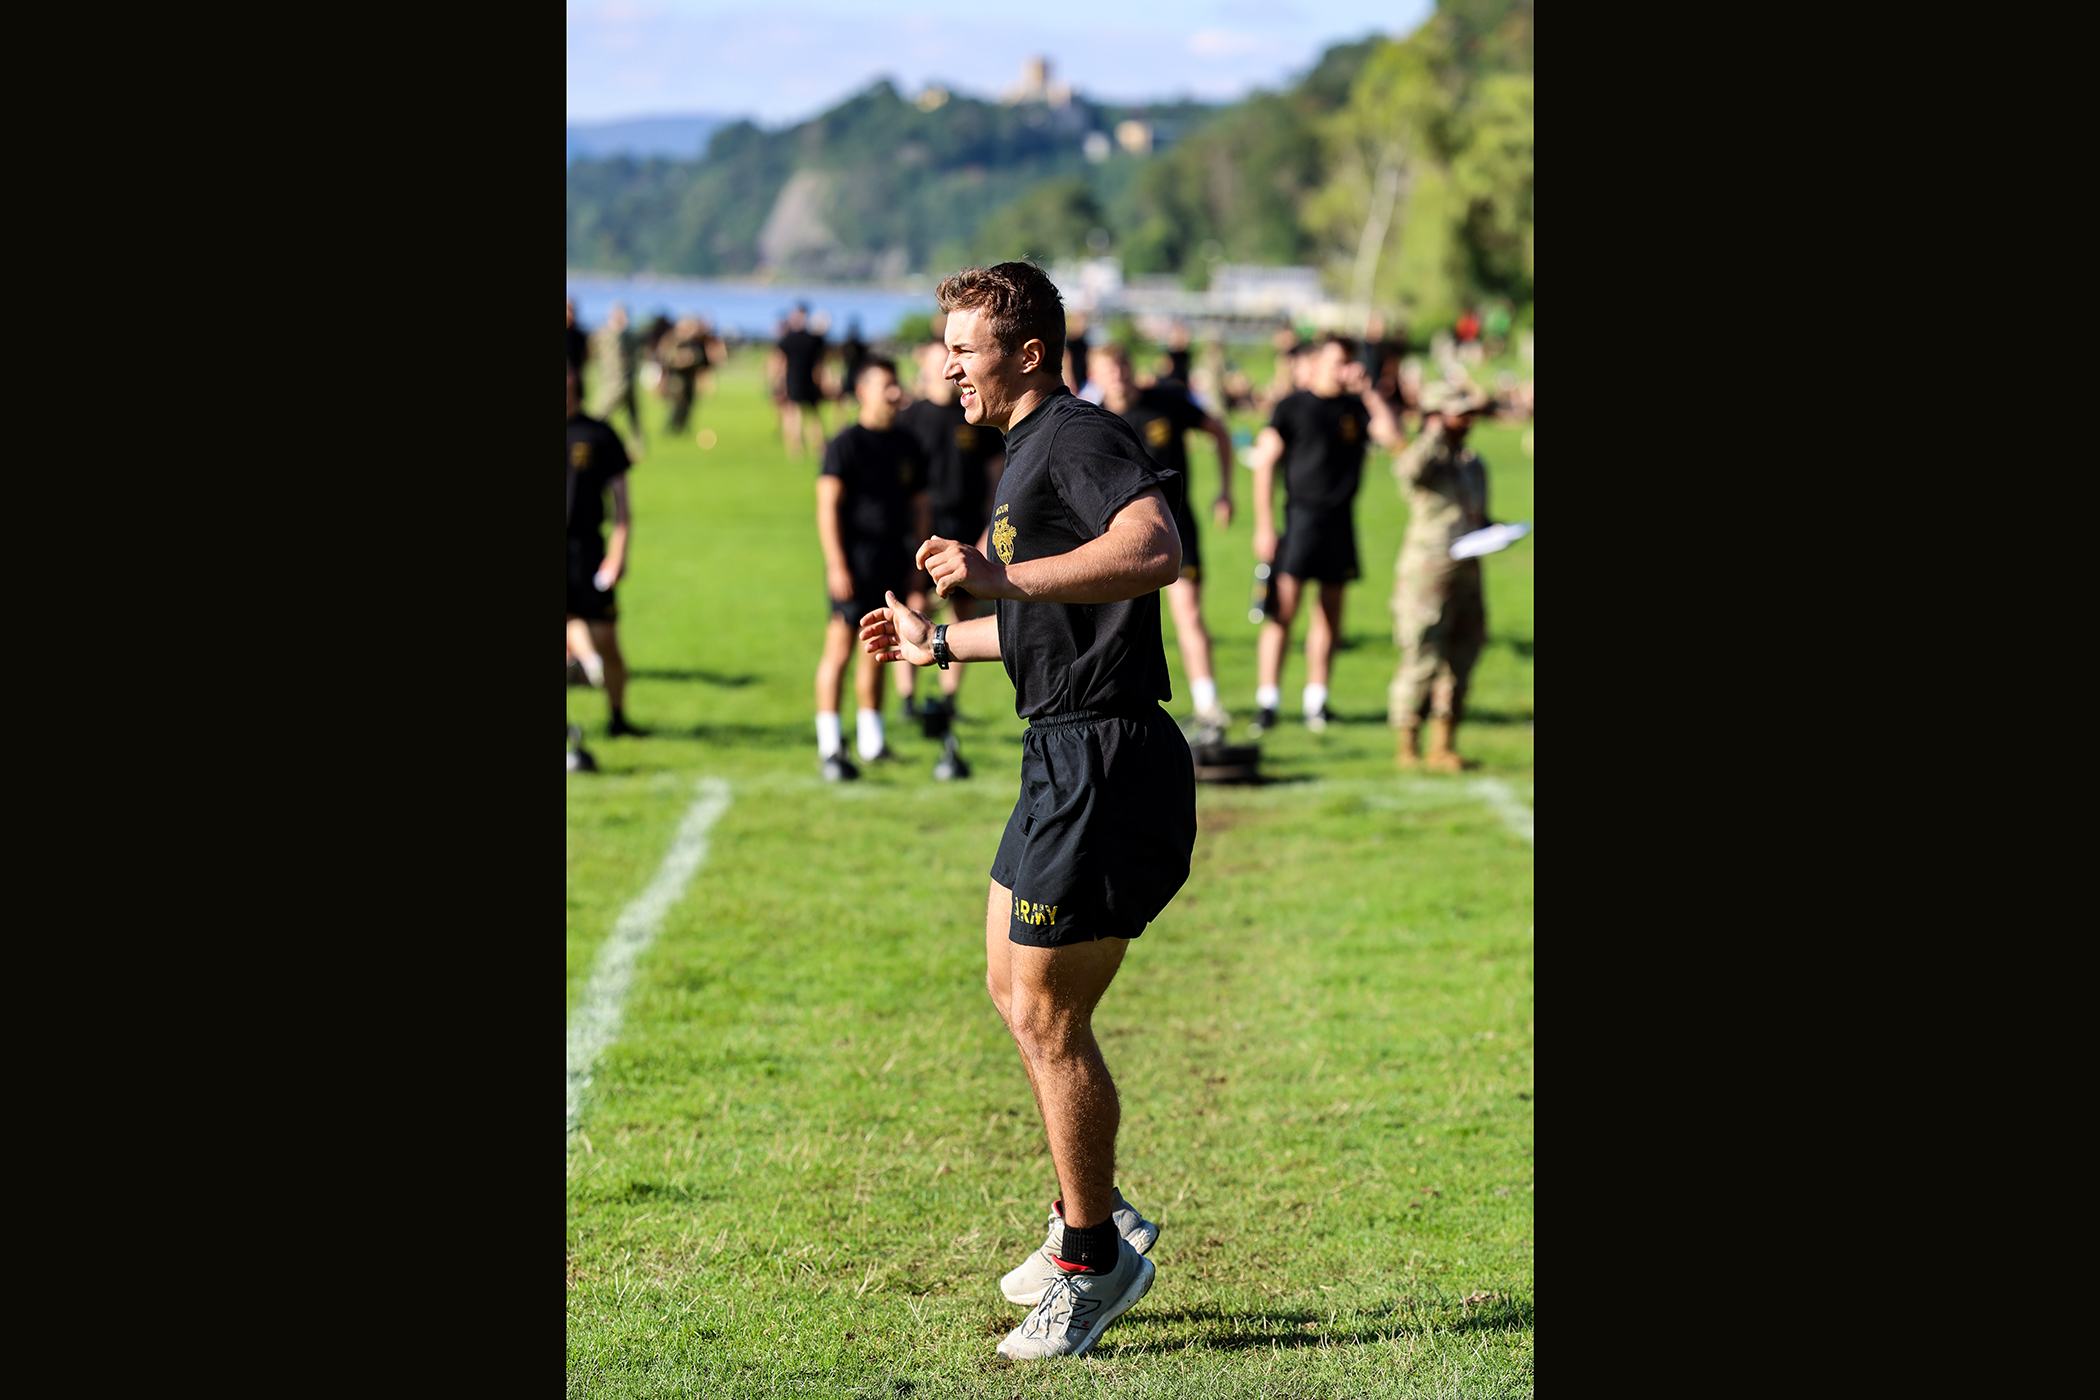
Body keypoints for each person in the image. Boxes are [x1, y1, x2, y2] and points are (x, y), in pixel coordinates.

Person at [860, 262, 1190, 1361]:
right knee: (1011, 985)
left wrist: (999, 583)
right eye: (944, 344)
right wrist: (939, 641)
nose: (946, 363)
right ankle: (1092, 1217)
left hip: (1106, 756)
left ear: (1030, 353)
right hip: (1059, 749)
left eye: (964, 345)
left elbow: (1152, 551)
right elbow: (1055, 617)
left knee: (1051, 1016)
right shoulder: (1023, 458)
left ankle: (1095, 1261)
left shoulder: (1078, 435)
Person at [1246, 334, 1402, 734]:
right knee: (1282, 612)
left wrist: (1369, 391)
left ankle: (1317, 700)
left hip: (1340, 520)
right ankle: (1268, 702)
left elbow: (1393, 436)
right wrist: (1264, 525)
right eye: (1336, 361)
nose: (1343, 368)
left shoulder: (1356, 406)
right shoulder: (1293, 406)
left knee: (1330, 615)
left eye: (1348, 361)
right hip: (1300, 519)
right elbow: (1265, 465)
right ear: (1316, 364)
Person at [1088, 341, 1234, 739]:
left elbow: (1219, 431)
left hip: (1176, 526)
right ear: (1094, 375)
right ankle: (1114, 710)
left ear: (1130, 366)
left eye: (1120, 363)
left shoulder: (1167, 400)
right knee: (1118, 623)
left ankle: (1209, 705)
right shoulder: (1092, 419)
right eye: (1106, 367)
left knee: (1188, 613)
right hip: (1118, 537)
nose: (1116, 373)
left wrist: (1225, 490)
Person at [813, 357, 928, 779]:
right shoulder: (844, 445)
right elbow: (827, 507)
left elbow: (920, 506)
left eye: (897, 385)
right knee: (840, 649)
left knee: (879, 649)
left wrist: (917, 563)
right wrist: (836, 563)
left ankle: (871, 740)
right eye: (886, 386)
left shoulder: (907, 444)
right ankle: (829, 743)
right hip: (854, 560)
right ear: (863, 391)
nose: (895, 393)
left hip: (893, 558)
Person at [896, 336, 1004, 716]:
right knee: (911, 603)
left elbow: (997, 477)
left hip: (965, 522)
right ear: (923, 367)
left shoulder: (973, 414)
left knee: (962, 610)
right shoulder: (910, 418)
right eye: (934, 360)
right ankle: (907, 697)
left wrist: (987, 530)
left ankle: (947, 699)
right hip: (921, 525)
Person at [1389, 383, 1492, 772]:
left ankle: (1443, 744)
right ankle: (1407, 745)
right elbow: (1408, 472)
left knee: (1462, 653)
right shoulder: (1426, 457)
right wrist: (1433, 430)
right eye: (1458, 413)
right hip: (1427, 571)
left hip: (1468, 569)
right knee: (1421, 654)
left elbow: (1477, 513)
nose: (1467, 420)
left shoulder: (1472, 462)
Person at [567, 363, 647, 737]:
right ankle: (585, 663)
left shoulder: (599, 434)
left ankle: (618, 718)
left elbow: (621, 504)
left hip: (588, 549)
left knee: (608, 641)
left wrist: (618, 553)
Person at [589, 304, 645, 451]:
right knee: (600, 413)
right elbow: (592, 352)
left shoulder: (630, 335)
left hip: (628, 380)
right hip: (612, 381)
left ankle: (638, 446)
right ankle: (591, 438)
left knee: (634, 417)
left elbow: (638, 353)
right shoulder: (602, 334)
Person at [775, 304, 827, 459]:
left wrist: (779, 381)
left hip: (800, 380)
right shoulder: (812, 339)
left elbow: (780, 362)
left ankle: (799, 448)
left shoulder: (792, 339)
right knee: (807, 414)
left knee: (801, 414)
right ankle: (808, 447)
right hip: (799, 380)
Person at [662, 316, 710, 434]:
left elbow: (703, 359)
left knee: (689, 403)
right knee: (678, 404)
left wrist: (693, 358)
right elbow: (664, 357)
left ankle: (683, 428)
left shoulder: (694, 341)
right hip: (676, 379)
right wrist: (679, 359)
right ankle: (671, 428)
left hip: (690, 378)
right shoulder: (671, 339)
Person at [566, 298, 588, 380]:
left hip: (576, 375)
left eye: (573, 311)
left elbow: (584, 356)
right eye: (569, 311)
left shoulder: (579, 335)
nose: (571, 315)